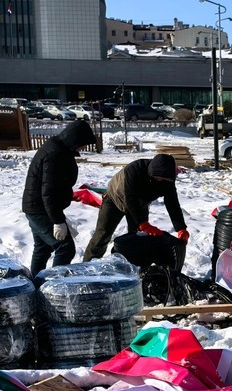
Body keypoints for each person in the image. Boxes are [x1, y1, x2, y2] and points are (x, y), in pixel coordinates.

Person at [22, 119, 98, 277]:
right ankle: (53, 286)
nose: (83, 148)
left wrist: (67, 196)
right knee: (65, 249)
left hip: (37, 206)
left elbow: (56, 185)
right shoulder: (55, 154)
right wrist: (57, 221)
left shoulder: (60, 148)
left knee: (42, 248)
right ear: (75, 139)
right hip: (40, 208)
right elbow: (48, 192)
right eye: (83, 144)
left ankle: (37, 285)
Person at [82, 153, 189, 261]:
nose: (159, 181)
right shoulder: (134, 169)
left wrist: (181, 228)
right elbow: (130, 198)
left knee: (138, 239)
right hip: (114, 200)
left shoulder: (168, 178)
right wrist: (143, 223)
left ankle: (133, 268)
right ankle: (86, 267)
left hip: (140, 204)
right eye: (157, 177)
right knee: (102, 235)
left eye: (162, 179)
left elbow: (172, 203)